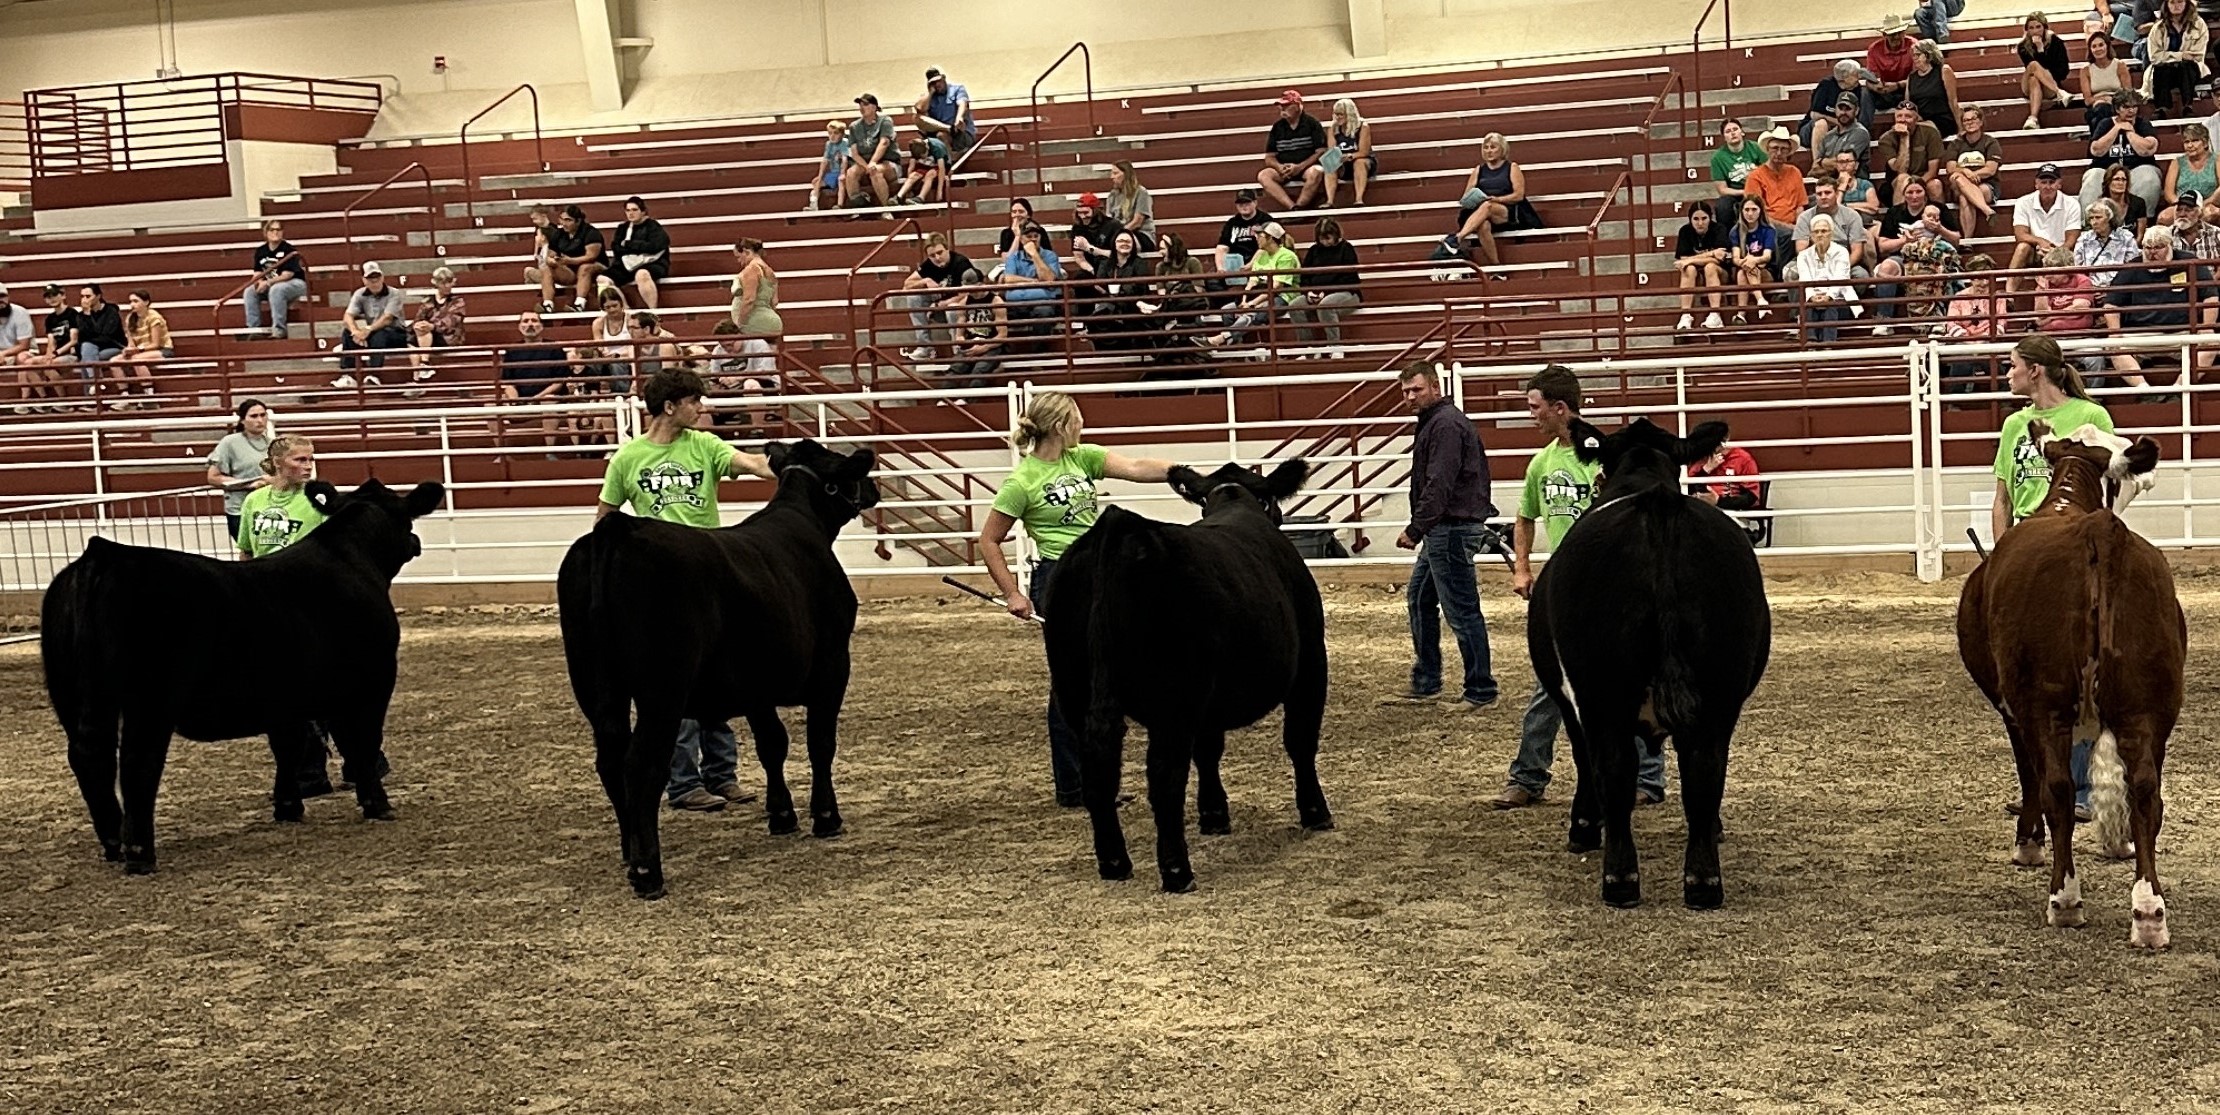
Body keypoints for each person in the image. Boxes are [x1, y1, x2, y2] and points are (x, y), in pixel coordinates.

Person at [975, 391, 1178, 806]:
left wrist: (1184, 474)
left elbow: (1137, 468)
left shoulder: (1081, 458)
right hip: (1059, 578)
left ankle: (1095, 780)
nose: (1083, 425)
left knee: (1110, 673)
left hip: (1102, 572)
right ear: (1061, 425)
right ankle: (1074, 784)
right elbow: (990, 540)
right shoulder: (1022, 482)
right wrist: (1012, 593)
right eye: (1078, 418)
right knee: (1072, 683)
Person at [596, 367, 779, 812]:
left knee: (720, 674)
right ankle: (683, 783)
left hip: (706, 574)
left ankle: (721, 774)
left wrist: (789, 467)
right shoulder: (627, 459)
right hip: (659, 582)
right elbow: (605, 519)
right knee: (671, 684)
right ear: (669, 406)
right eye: (695, 400)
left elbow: (751, 463)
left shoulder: (705, 446)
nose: (702, 407)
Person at [1494, 364, 1666, 809]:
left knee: (1632, 680)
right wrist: (1523, 569)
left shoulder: (1609, 458)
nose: (1531, 416)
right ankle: (1528, 775)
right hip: (1566, 586)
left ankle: (1645, 777)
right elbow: (1525, 517)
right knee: (1550, 684)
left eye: (1536, 408)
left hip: (1613, 582)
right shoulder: (1541, 463)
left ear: (1560, 408)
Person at [1992, 333, 2113, 821]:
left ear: (2035, 371)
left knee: (2077, 667)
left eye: (2013, 366)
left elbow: (2109, 483)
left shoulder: (2091, 419)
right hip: (2027, 550)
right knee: (2029, 670)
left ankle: (2077, 786)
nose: (2009, 374)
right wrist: (2002, 555)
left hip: (2074, 547)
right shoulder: (2014, 425)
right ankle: (2041, 783)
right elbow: (2003, 495)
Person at [234, 432, 344, 799]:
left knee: (312, 688)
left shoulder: (318, 502)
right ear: (278, 462)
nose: (307, 466)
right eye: (299, 460)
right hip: (268, 602)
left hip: (310, 603)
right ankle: (347, 764)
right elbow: (247, 552)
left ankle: (317, 770)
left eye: (310, 459)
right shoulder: (254, 501)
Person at [1385, 360, 1498, 711]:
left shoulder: (1444, 425)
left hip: (1448, 528)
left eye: (1416, 389)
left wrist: (1417, 527)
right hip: (1445, 527)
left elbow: (1440, 481)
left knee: (1461, 610)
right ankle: (1429, 681)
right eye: (1405, 391)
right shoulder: (1442, 422)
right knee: (1421, 599)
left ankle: (1479, 690)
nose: (1410, 397)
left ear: (1435, 386)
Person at [2102, 225, 2217, 385]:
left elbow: (2211, 298)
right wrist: (2115, 332)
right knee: (2113, 346)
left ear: (2169, 245)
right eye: (2147, 248)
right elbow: (2111, 305)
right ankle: (2143, 388)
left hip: (2183, 332)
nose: (2152, 253)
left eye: (2158, 247)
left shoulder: (2189, 262)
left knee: (2212, 343)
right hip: (2142, 334)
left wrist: (2207, 326)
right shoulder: (2131, 268)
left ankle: (2179, 387)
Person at [1443, 132, 1539, 269]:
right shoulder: (1479, 170)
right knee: (1483, 226)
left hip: (1506, 210)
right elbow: (1466, 196)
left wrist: (1498, 199)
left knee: (1488, 205)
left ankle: (1457, 238)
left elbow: (1519, 195)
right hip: (1482, 209)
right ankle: (1497, 267)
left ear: (1502, 149)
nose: (1489, 151)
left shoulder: (1512, 167)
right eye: (1486, 147)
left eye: (1493, 147)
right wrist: (1475, 198)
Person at [1199, 221, 1300, 349]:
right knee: (1227, 311)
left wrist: (1252, 304)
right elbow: (1252, 282)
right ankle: (1237, 349)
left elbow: (1276, 288)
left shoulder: (1287, 256)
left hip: (1283, 296)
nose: (1256, 238)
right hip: (1259, 293)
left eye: (1260, 235)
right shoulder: (1261, 255)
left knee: (1252, 313)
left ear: (1271, 238)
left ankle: (1220, 339)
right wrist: (1244, 300)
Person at [494, 310, 577, 450]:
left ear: (542, 326)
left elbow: (559, 381)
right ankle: (502, 453)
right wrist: (515, 400)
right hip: (521, 401)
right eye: (525, 321)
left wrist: (537, 398)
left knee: (549, 401)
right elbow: (507, 382)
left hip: (547, 398)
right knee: (491, 408)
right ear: (519, 327)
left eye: (534, 320)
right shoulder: (512, 350)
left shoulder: (554, 348)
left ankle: (549, 451)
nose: (530, 324)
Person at [896, 234, 981, 362]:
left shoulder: (961, 263)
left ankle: (958, 349)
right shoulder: (929, 265)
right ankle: (925, 347)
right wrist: (925, 281)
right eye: (932, 255)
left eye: (940, 253)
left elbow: (969, 293)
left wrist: (944, 303)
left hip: (961, 307)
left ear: (947, 249)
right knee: (913, 297)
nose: (937, 258)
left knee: (952, 309)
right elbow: (906, 286)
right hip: (939, 306)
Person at [2081, 93, 2163, 216]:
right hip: (2107, 169)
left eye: (2134, 106)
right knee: (2093, 176)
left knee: (2149, 176)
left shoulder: (2143, 124)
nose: (2131, 111)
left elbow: (2148, 150)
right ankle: (2089, 221)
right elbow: (2096, 150)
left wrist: (2129, 132)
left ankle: (2143, 219)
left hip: (2136, 169)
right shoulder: (2105, 123)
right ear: (2117, 109)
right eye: (2126, 107)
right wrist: (2116, 129)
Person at [2009, 164, 2084, 290]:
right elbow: (2020, 234)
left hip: (2061, 251)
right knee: (2022, 247)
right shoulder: (2023, 202)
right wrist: (2040, 241)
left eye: (2052, 182)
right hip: (2035, 251)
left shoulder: (2072, 204)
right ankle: (2009, 294)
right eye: (2043, 182)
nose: (2047, 186)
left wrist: (2056, 253)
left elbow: (2072, 238)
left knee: (2069, 253)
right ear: (2036, 184)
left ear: (2059, 184)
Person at [206, 398, 272, 541]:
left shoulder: (273, 444)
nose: (260, 420)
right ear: (242, 420)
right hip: (240, 510)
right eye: (254, 416)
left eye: (263, 415)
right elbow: (213, 477)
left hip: (269, 510)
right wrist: (248, 484)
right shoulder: (229, 443)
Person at [1292, 216, 1361, 354]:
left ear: (1336, 235)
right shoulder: (1314, 250)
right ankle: (1307, 348)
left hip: (1345, 293)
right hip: (1316, 292)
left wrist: (1326, 292)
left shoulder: (1346, 249)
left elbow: (1349, 278)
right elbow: (1305, 276)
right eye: (1322, 239)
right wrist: (1308, 292)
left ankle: (1334, 346)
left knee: (1326, 305)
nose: (1325, 242)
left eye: (1328, 238)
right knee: (1295, 306)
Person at [331, 262, 406, 387]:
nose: (374, 281)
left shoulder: (394, 293)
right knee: (347, 332)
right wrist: (355, 331)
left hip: (396, 333)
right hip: (372, 333)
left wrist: (367, 330)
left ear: (382, 277)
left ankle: (374, 374)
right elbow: (347, 316)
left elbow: (387, 318)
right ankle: (348, 375)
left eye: (377, 277)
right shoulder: (359, 294)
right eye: (371, 278)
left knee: (380, 333)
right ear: (364, 280)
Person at [1687, 431, 1766, 545]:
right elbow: (1688, 489)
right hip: (1702, 508)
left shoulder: (1742, 458)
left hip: (1732, 509)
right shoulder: (1701, 459)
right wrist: (1706, 470)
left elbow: (1751, 497)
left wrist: (1718, 501)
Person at [1257, 89, 1329, 210]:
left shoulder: (1312, 124)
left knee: (1316, 172)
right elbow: (1269, 156)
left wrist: (1300, 167)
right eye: (1281, 106)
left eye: (1286, 106)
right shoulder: (1277, 127)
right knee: (1263, 175)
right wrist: (1279, 167)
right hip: (1284, 169)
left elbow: (1321, 151)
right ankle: (1292, 207)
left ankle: (1301, 205)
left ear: (1297, 106)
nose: (1282, 109)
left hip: (1306, 167)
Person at [1796, 213, 1858, 343]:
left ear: (1831, 233)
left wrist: (1828, 296)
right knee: (1807, 305)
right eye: (1816, 231)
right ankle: (1810, 344)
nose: (1820, 235)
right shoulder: (1803, 256)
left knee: (1830, 306)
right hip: (1813, 301)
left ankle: (1829, 346)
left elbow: (1840, 278)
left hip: (1838, 301)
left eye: (1824, 231)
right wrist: (1813, 297)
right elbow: (1804, 278)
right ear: (1811, 236)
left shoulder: (1841, 252)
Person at [1090, 231, 1156, 352]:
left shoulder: (1139, 263)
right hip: (1110, 304)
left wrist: (1118, 290)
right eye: (1120, 241)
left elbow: (1139, 286)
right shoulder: (1105, 263)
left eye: (1128, 241)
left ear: (1133, 245)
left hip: (1133, 304)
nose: (1124, 244)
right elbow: (1099, 284)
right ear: (1114, 244)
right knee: (1098, 317)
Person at [241, 219, 307, 340]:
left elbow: (287, 275)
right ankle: (253, 329)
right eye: (272, 230)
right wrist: (259, 282)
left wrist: (268, 282)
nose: (275, 232)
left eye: (278, 230)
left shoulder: (289, 250)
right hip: (270, 284)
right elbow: (257, 273)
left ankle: (279, 329)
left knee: (277, 289)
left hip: (294, 283)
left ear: (282, 232)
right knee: (250, 291)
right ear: (266, 233)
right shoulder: (261, 251)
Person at [2142, 0, 2209, 118]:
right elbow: (2155, 56)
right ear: (2166, 5)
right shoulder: (2158, 27)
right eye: (2172, 2)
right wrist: (2179, 56)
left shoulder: (2198, 24)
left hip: (2191, 68)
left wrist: (2172, 57)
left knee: (2185, 66)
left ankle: (2188, 106)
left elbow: (2197, 54)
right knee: (2162, 69)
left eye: (2180, 2)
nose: (2176, 6)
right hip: (2166, 68)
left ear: (2187, 3)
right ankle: (2160, 108)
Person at [536, 204, 606, 313]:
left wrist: (570, 260)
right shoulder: (559, 233)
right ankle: (548, 304)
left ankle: (579, 304)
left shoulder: (591, 233)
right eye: (562, 219)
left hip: (596, 267)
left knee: (585, 268)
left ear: (578, 221)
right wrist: (551, 260)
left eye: (568, 220)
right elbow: (551, 252)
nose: (564, 223)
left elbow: (591, 256)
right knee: (546, 268)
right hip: (570, 269)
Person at [1674, 202, 1731, 330]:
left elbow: (1720, 258)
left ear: (1710, 218)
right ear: (1690, 219)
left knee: (1710, 267)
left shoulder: (1719, 229)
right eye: (1696, 219)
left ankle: (1715, 314)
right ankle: (1686, 315)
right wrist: (1711, 254)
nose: (1700, 223)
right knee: (1688, 268)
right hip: (1696, 275)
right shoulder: (1685, 231)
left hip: (1721, 273)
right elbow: (1683, 259)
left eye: (1704, 218)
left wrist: (1691, 260)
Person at [1876, 102, 1945, 207]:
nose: (1903, 120)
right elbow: (1900, 169)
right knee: (1903, 178)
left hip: (1924, 178)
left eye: (1908, 116)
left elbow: (1933, 171)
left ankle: (1940, 219)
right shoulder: (1886, 139)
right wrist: (1904, 139)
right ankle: (1899, 221)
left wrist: (1916, 185)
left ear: (1916, 119)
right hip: (1897, 181)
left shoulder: (1930, 132)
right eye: (1899, 116)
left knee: (1935, 185)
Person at [607, 196, 671, 310]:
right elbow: (616, 248)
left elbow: (656, 246)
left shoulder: (653, 226)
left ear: (643, 211)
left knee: (641, 274)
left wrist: (629, 244)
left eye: (634, 210)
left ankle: (653, 312)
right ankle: (625, 310)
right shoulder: (622, 228)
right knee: (603, 279)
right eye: (628, 210)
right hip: (627, 264)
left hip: (653, 264)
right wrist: (639, 247)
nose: (631, 213)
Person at [1942, 106, 2003, 225]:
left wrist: (1972, 174)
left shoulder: (1990, 142)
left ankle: (1967, 242)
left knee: (1965, 198)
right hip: (1959, 185)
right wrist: (1965, 171)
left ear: (1980, 122)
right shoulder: (1956, 143)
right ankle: (1987, 211)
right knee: (1958, 177)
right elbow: (1950, 168)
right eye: (1966, 120)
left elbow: (1990, 170)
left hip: (1986, 184)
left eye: (1973, 119)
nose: (1970, 123)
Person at [405, 266, 466, 384]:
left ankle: (423, 366)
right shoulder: (428, 302)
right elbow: (418, 319)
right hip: (428, 337)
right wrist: (418, 325)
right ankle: (418, 374)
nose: (447, 286)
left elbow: (451, 321)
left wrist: (431, 326)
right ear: (437, 284)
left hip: (449, 337)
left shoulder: (458, 301)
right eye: (443, 283)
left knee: (424, 331)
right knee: (412, 338)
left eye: (449, 282)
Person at [1743, 127, 1809, 234]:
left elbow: (1800, 206)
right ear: (1768, 150)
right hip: (1768, 225)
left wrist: (1799, 226)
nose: (1779, 153)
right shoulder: (1755, 176)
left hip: (1794, 224)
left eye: (1784, 149)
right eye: (1775, 148)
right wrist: (1790, 228)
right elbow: (1756, 214)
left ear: (1789, 152)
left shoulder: (1795, 172)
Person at [731, 238, 782, 374]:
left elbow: (749, 299)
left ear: (746, 252)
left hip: (754, 320)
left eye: (738, 256)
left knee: (752, 362)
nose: (738, 261)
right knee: (769, 362)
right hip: (771, 319)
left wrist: (739, 323)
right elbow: (774, 301)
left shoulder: (751, 269)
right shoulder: (770, 271)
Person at [1001, 222, 1065, 331]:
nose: (1033, 239)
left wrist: (1034, 255)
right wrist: (1033, 281)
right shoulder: (1014, 257)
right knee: (999, 311)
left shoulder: (1050, 256)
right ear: (1021, 239)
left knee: (1044, 312)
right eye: (1029, 236)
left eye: (1036, 236)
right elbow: (1009, 279)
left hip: (1043, 302)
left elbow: (1048, 279)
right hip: (1015, 304)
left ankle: (1040, 348)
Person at [2017, 11, 2075, 131]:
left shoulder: (2056, 42)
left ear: (2045, 27)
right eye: (2031, 28)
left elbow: (2063, 71)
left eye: (2038, 27)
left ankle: (2033, 118)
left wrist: (2041, 49)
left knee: (2034, 79)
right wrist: (2039, 50)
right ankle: (2060, 93)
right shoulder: (2022, 46)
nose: (2035, 31)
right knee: (2033, 67)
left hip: (2050, 83)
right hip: (2028, 85)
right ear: (2027, 30)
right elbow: (2032, 67)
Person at [844, 93, 901, 212]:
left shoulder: (885, 121)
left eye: (865, 104)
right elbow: (854, 153)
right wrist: (867, 166)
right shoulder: (854, 126)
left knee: (876, 172)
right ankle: (859, 206)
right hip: (865, 163)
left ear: (874, 107)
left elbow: (884, 143)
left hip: (888, 163)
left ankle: (886, 208)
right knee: (850, 173)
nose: (861, 108)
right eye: (860, 105)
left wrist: (873, 162)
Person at [1709, 119, 1770, 225]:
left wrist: (1755, 190)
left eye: (1735, 129)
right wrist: (1744, 192)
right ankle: (1728, 239)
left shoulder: (1756, 148)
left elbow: (1769, 174)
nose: (1732, 133)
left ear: (1742, 132)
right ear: (1724, 137)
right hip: (1736, 193)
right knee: (1723, 206)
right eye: (1728, 131)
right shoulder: (1717, 158)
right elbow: (1722, 190)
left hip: (1759, 189)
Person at [113, 289, 169, 404]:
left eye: (135, 301)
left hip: (162, 350)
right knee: (114, 361)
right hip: (139, 351)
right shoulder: (130, 318)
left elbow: (155, 344)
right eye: (130, 301)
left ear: (146, 302)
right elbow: (131, 343)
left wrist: (137, 350)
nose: (132, 304)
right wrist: (128, 350)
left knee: (137, 360)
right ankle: (125, 396)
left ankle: (149, 395)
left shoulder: (154, 317)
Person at [1804, 61, 1873, 154]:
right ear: (1844, 78)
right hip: (1813, 130)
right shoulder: (1826, 85)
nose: (1858, 77)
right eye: (1855, 75)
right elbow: (1814, 114)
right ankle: (1817, 163)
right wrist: (1838, 122)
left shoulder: (1859, 90)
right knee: (1821, 124)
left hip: (1843, 131)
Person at [1728, 197, 1780, 320]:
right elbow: (1735, 258)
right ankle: (1760, 301)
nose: (1750, 214)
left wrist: (1753, 260)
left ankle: (1742, 313)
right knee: (1742, 272)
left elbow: (1767, 257)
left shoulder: (1768, 230)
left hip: (1766, 271)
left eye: (1754, 209)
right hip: (1745, 269)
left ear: (1760, 211)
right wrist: (1745, 262)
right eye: (1746, 210)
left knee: (1747, 269)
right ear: (1741, 212)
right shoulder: (1735, 231)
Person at [2074, 198, 2142, 286]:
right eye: (2091, 218)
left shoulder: (2126, 238)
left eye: (2098, 217)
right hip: (2089, 288)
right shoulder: (2084, 239)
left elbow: (2132, 269)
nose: (2094, 222)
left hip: (2118, 288)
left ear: (2110, 218)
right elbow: (2077, 269)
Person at [2161, 122, 2220, 223]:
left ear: (2205, 143)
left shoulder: (2217, 160)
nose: (2190, 145)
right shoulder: (2177, 163)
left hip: (2208, 204)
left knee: (2211, 214)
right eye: (2186, 142)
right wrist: (2182, 206)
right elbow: (2169, 194)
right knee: (2164, 217)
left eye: (2195, 141)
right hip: (2181, 205)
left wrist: (2202, 204)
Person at [1322, 98, 1375, 207]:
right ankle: (1329, 201)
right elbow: (1331, 150)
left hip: (1361, 159)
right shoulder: (1332, 128)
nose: (1338, 117)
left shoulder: (1362, 126)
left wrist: (1350, 156)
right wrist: (1336, 157)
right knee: (1329, 163)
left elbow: (1364, 151)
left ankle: (1359, 199)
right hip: (1342, 162)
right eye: (1336, 114)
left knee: (1359, 163)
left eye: (1341, 114)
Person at [1904, 40, 1962, 136]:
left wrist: (1961, 128)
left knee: (1924, 132)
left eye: (1918, 55)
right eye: (1913, 56)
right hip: (1921, 120)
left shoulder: (1944, 71)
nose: (1915, 58)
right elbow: (1908, 104)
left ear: (1928, 55)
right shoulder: (1911, 77)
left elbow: (1953, 102)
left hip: (1942, 119)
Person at [913, 67, 977, 152]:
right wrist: (930, 92)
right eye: (933, 83)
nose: (937, 84)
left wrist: (959, 118)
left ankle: (949, 161)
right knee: (917, 118)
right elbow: (920, 109)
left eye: (938, 81)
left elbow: (962, 104)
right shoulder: (928, 97)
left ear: (944, 78)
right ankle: (948, 129)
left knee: (941, 136)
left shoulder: (957, 89)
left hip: (960, 132)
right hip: (943, 131)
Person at [2081, 27, 2136, 126]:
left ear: (2107, 46)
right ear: (2090, 49)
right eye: (2094, 46)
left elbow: (2127, 93)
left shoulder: (2120, 65)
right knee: (2101, 110)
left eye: (2101, 45)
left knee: (2098, 119)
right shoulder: (2085, 71)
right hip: (2096, 106)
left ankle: (2098, 140)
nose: (2098, 49)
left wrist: (2112, 100)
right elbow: (2088, 100)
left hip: (2118, 106)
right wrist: (2102, 99)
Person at [1865, 13, 1919, 112]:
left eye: (1900, 33)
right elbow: (1870, 79)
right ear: (1884, 35)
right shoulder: (1874, 49)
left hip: (1908, 88)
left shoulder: (1913, 45)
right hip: (1885, 92)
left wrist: (1897, 85)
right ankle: (1864, 125)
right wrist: (1876, 87)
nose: (1897, 37)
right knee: (1865, 94)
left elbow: (1919, 77)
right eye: (1893, 34)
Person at [1214, 188, 1275, 274]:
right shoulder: (1232, 223)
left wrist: (1251, 265)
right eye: (1240, 204)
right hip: (1235, 264)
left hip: (1260, 264)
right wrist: (1220, 268)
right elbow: (1222, 247)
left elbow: (1267, 247)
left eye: (1247, 203)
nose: (1243, 206)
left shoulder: (1265, 220)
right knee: (1213, 282)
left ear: (1255, 203)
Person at [1104, 160, 1157, 252]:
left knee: (1119, 243)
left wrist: (1119, 234)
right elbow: (1108, 219)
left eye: (1115, 173)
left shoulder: (1141, 193)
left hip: (1141, 234)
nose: (1112, 177)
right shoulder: (1112, 195)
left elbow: (1137, 222)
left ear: (1126, 174)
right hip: (1118, 234)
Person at [75, 284, 125, 369]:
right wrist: (87, 314)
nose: (84, 300)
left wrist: (91, 339)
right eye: (82, 296)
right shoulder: (81, 316)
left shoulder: (111, 312)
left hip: (112, 346)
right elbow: (82, 337)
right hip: (91, 348)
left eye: (88, 296)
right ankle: (93, 381)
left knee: (87, 357)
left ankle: (92, 381)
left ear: (98, 296)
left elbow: (106, 335)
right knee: (87, 350)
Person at [1814, 95, 1872, 166]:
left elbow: (1845, 163)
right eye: (1840, 108)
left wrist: (1823, 162)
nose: (1843, 113)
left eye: (1848, 109)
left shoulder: (1860, 133)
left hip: (1854, 176)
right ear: (1835, 109)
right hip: (1827, 176)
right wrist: (1821, 163)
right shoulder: (1828, 136)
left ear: (1856, 111)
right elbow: (1816, 165)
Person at [2098, 163, 2154, 235]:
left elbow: (2140, 235)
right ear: (2108, 182)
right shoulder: (2100, 205)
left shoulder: (2138, 203)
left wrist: (2132, 245)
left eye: (2124, 179)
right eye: (2116, 179)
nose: (2121, 183)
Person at [892, 136, 951, 204]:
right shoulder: (915, 148)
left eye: (924, 155)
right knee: (913, 175)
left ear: (927, 148)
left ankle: (921, 197)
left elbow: (942, 169)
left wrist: (939, 191)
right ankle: (899, 196)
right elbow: (911, 167)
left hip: (939, 167)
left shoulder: (937, 147)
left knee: (930, 174)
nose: (923, 158)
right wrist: (910, 186)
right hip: (926, 166)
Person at [808, 121, 851, 211]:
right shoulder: (829, 144)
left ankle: (839, 204)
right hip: (833, 172)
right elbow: (825, 161)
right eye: (830, 133)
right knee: (816, 183)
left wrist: (843, 173)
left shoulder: (844, 143)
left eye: (836, 133)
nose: (832, 136)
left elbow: (844, 160)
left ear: (842, 134)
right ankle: (813, 205)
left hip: (843, 172)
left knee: (841, 181)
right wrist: (820, 176)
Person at [2170, 189, 2220, 258]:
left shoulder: (2216, 234)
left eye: (2188, 210)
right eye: (2179, 210)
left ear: (2200, 213)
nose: (2182, 214)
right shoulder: (2166, 235)